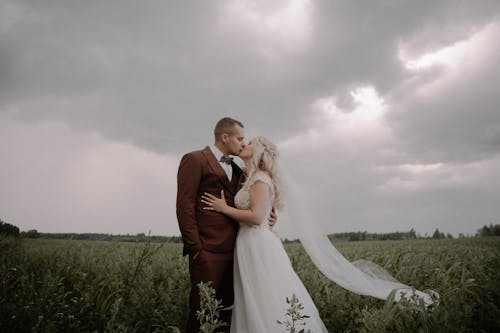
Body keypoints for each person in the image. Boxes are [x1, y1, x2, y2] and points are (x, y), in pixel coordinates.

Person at [201, 136, 329, 332]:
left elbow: (256, 217)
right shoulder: (249, 177)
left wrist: (223, 208)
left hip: (258, 244)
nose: (244, 144)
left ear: (260, 151)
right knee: (253, 298)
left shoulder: (260, 178)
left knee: (265, 296)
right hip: (247, 242)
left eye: (250, 143)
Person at [176, 118, 276, 333]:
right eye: (240, 138)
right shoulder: (194, 159)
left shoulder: (240, 169)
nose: (243, 143)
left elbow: (255, 196)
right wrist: (196, 249)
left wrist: (271, 213)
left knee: (226, 315)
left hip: (238, 252)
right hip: (207, 251)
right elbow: (184, 206)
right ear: (225, 137)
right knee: (201, 312)